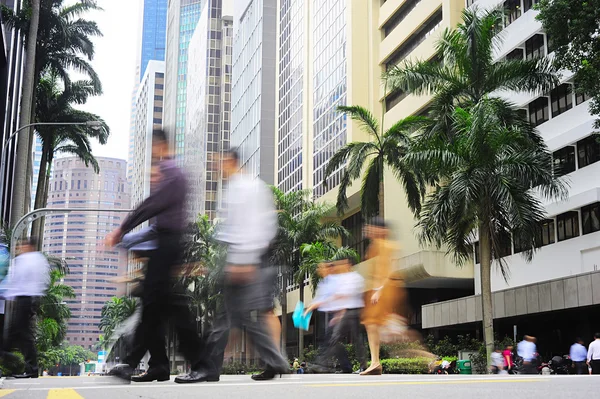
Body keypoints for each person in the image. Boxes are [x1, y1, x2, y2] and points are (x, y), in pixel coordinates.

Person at [105, 129, 208, 384]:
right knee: (155, 308)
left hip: (169, 243)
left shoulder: (172, 173)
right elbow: (153, 216)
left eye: (154, 147)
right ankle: (158, 365)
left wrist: (122, 228)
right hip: (166, 243)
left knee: (163, 306)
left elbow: (151, 205)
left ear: (161, 146)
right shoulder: (171, 173)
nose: (153, 154)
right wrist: (125, 236)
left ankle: (200, 363)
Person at [184, 149, 289, 383]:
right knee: (240, 317)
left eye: (218, 162)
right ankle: (274, 361)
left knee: (226, 317)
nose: (216, 167)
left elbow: (253, 227)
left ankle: (208, 369)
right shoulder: (250, 186)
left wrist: (243, 261)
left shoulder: (242, 188)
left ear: (231, 161)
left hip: (246, 259)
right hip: (248, 257)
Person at [305, 258, 367, 374]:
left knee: (349, 339)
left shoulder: (354, 278)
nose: (339, 266)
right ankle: (331, 364)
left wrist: (315, 306)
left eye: (343, 264)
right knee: (337, 338)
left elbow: (342, 295)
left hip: (353, 311)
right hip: (346, 312)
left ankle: (323, 363)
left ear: (349, 265)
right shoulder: (342, 278)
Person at [0, 238, 50, 378]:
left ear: (28, 246)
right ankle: (28, 367)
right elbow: (44, 280)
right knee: (19, 332)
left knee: (21, 333)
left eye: (21, 246)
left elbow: (14, 280)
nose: (19, 248)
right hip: (30, 298)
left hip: (24, 298)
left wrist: (5, 293)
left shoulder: (25, 260)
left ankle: (30, 368)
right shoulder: (39, 259)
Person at [360, 217, 403, 376]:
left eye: (372, 228)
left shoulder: (387, 245)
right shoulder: (375, 246)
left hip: (384, 289)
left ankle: (428, 359)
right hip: (376, 290)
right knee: (372, 325)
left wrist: (379, 290)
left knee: (377, 325)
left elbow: (389, 270)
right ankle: (375, 361)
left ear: (382, 230)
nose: (369, 230)